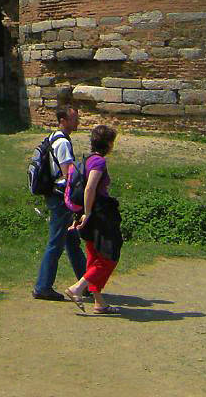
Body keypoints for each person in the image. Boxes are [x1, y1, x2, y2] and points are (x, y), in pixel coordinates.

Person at [63, 124, 122, 315]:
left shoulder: (86, 159)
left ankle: (99, 302)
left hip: (87, 214)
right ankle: (77, 288)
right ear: (108, 144)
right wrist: (87, 214)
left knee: (94, 255)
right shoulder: (98, 162)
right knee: (109, 256)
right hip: (99, 215)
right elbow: (90, 188)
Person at [32, 105, 88, 301]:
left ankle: (85, 284)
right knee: (56, 242)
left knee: (71, 241)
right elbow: (68, 174)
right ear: (63, 120)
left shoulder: (53, 137)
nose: (77, 122)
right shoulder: (62, 143)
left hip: (55, 195)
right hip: (60, 198)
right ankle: (43, 287)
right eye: (74, 119)